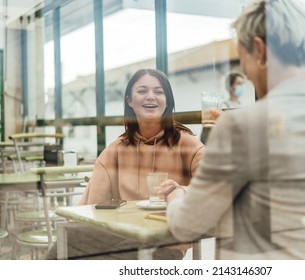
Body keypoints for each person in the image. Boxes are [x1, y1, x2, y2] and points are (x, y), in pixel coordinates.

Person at [160, 0, 305, 259]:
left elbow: (188, 225)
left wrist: (176, 196)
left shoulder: (241, 125)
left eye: (241, 56)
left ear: (259, 50)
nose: (244, 68)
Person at [46, 68, 204, 259]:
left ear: (167, 101)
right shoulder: (116, 150)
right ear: (130, 100)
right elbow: (90, 207)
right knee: (66, 239)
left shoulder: (187, 144)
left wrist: (180, 190)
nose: (151, 97)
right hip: (120, 234)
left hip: (165, 242)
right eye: (142, 91)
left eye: (159, 92)